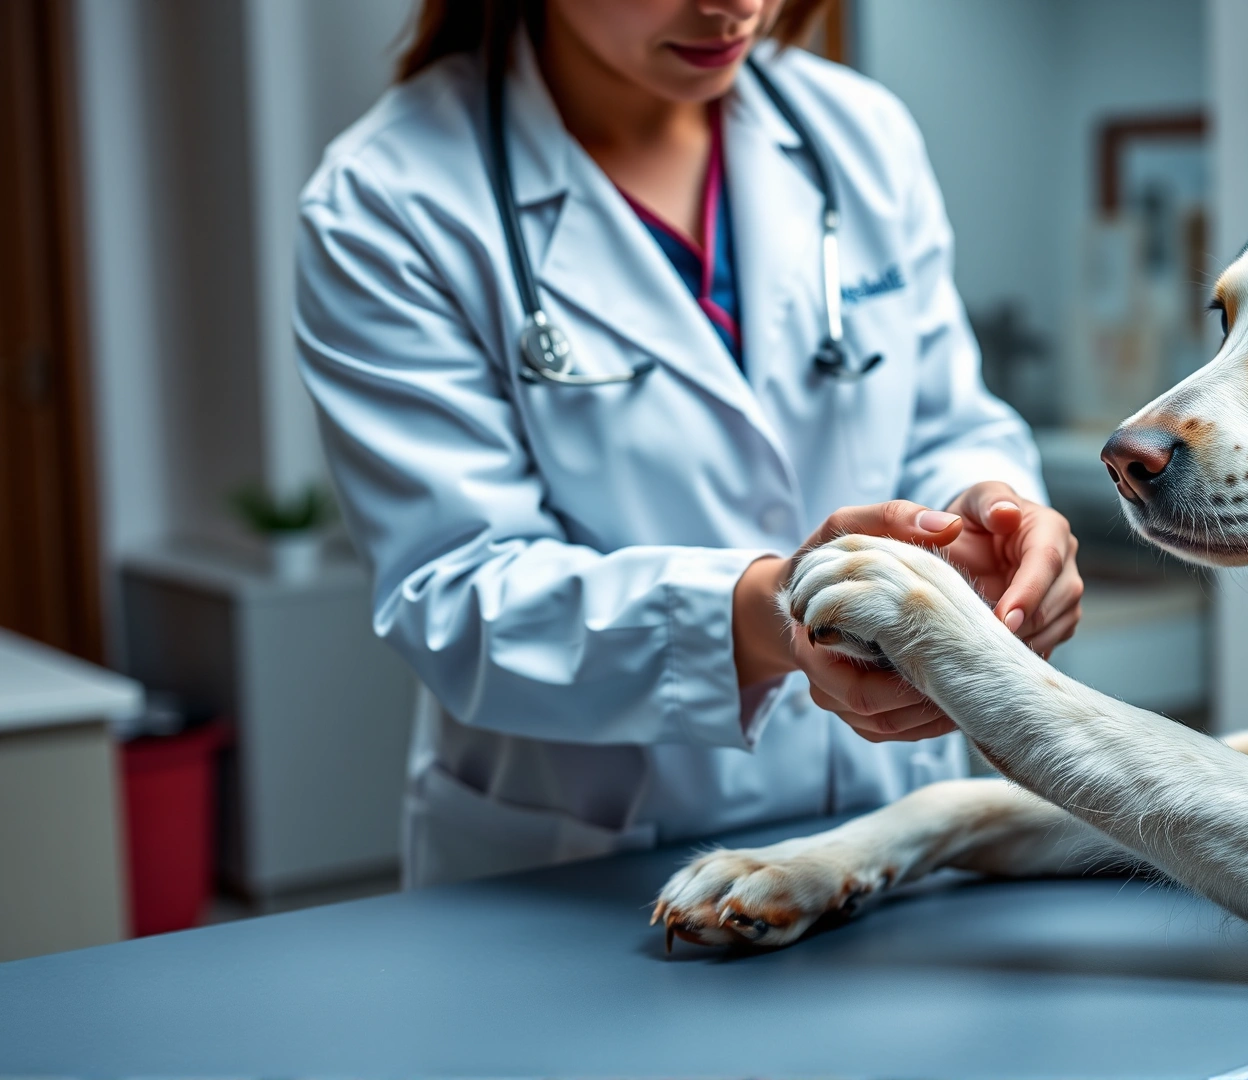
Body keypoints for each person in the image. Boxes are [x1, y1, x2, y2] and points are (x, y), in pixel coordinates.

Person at [294, 0, 1082, 888]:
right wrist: (765, 612)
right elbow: (458, 596)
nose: (731, 5)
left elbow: (944, 420)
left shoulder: (856, 133)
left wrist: (996, 512)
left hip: (886, 837)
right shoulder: (389, 197)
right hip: (587, 876)